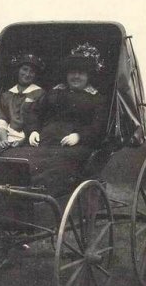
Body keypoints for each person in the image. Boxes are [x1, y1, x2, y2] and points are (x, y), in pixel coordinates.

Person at [20, 42, 109, 196]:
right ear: (66, 74)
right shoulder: (55, 92)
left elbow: (98, 127)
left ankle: (41, 198)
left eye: (81, 73)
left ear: (88, 76)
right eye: (72, 72)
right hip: (45, 142)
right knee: (21, 160)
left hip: (76, 147)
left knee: (55, 167)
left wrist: (79, 136)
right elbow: (34, 111)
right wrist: (33, 130)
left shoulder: (97, 99)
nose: (75, 76)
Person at [0, 53, 46, 148]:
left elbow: (40, 122)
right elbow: (2, 120)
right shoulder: (7, 95)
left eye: (32, 71)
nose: (27, 74)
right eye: (24, 69)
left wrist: (23, 141)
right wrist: (4, 140)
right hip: (7, 139)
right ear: (18, 70)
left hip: (29, 139)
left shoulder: (40, 94)